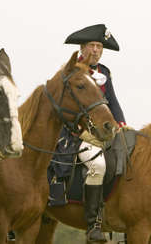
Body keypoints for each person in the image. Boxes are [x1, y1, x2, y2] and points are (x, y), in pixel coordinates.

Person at [52, 24, 126, 242]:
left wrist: (121, 123)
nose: (96, 50)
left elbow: (112, 101)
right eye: (92, 45)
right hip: (77, 135)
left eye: (100, 46)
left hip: (104, 132)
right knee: (98, 165)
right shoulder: (72, 71)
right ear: (82, 48)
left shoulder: (104, 72)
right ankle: (93, 224)